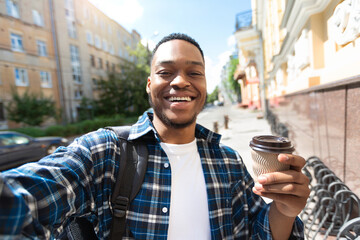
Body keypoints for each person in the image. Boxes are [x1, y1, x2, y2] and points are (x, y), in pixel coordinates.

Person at [0, 33, 310, 239]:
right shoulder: (104, 153)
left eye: (194, 72)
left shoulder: (228, 163)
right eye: (166, 72)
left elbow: (259, 233)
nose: (180, 82)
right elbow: (28, 198)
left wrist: (283, 210)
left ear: (204, 84)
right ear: (149, 84)